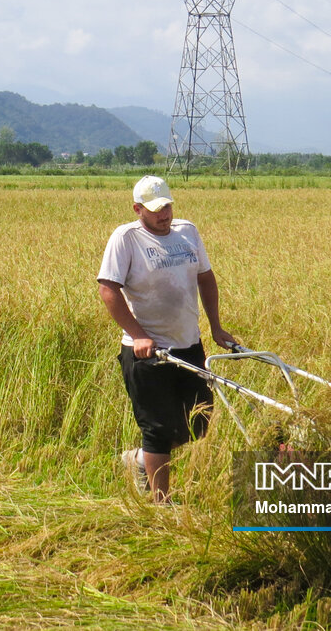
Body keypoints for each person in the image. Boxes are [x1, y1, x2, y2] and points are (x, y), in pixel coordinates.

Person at [97, 175, 237, 504]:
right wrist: (138, 335)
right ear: (138, 209)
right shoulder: (126, 238)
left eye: (168, 206)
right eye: (156, 209)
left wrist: (216, 328)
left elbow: (205, 277)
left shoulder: (187, 232)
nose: (165, 215)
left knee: (199, 423)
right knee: (158, 429)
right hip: (147, 353)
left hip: (188, 345)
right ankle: (163, 503)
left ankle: (139, 459)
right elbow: (108, 289)